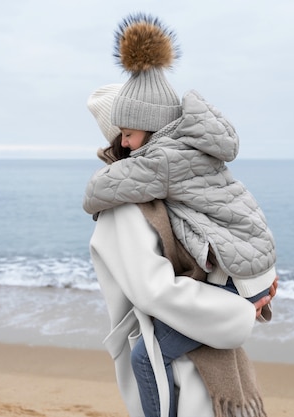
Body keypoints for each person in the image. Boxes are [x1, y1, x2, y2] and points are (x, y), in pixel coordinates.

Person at [83, 14, 277, 417]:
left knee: (144, 361)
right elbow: (156, 289)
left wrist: (246, 295)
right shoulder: (142, 194)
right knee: (145, 360)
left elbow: (172, 278)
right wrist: (248, 294)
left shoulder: (156, 175)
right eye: (120, 133)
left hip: (210, 322)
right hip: (201, 336)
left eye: (128, 131)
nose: (124, 141)